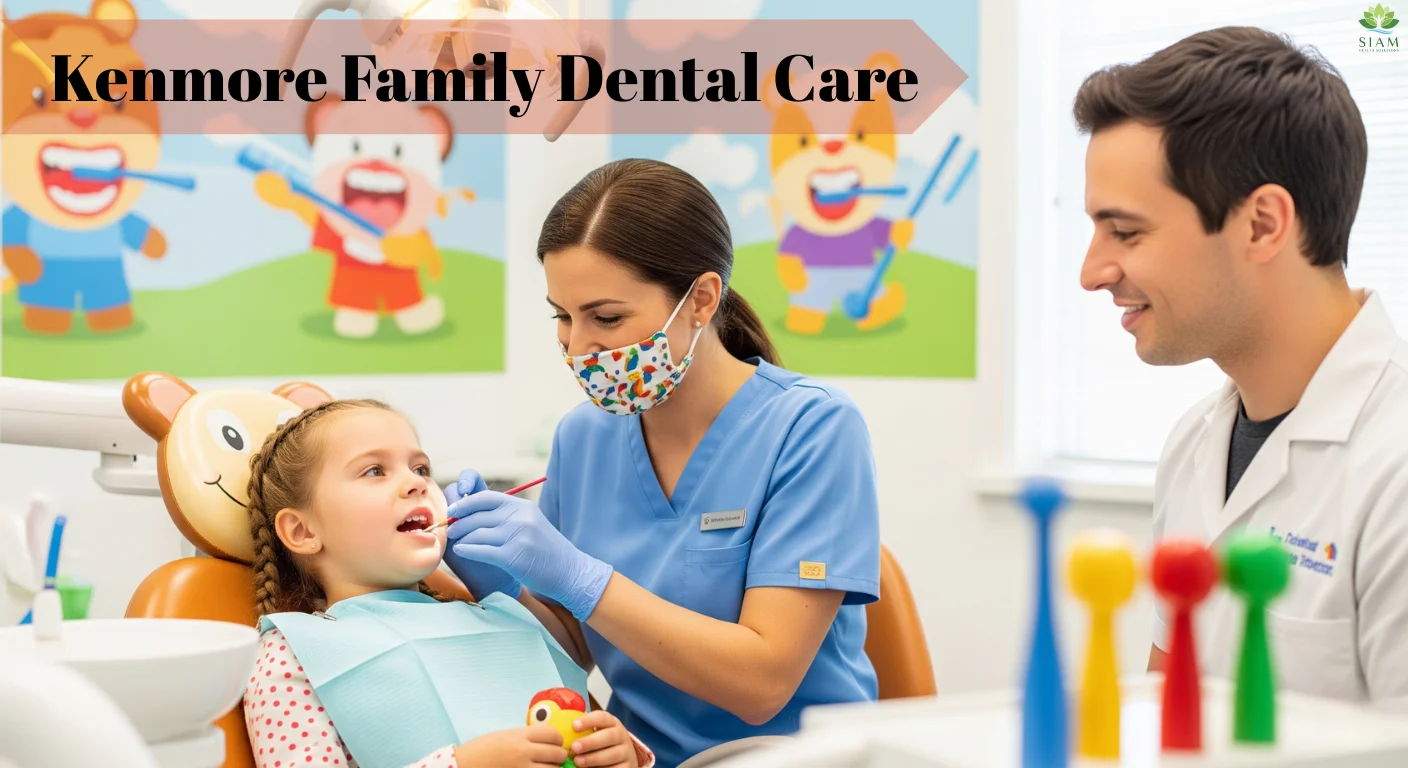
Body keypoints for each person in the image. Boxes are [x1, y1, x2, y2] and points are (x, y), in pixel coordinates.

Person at [440, 159, 884, 766]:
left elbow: (761, 684)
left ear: (701, 299)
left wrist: (580, 578)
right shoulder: (583, 437)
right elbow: (576, 647)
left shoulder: (812, 428)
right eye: (562, 316)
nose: (577, 347)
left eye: (606, 317)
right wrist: (497, 581)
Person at [1076, 26, 1408, 704]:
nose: (1092, 272)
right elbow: (1169, 711)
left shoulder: (1393, 469)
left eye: (1126, 232)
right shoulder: (1194, 446)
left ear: (1262, 225)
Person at [240, 398, 655, 768]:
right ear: (302, 531)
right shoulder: (290, 655)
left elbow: (574, 721)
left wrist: (620, 751)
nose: (417, 483)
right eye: (374, 471)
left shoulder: (496, 615)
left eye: (421, 468)